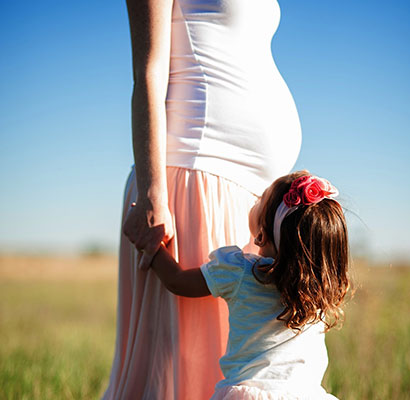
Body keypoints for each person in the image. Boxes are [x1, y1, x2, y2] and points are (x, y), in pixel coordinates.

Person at [102, 0, 301, 398]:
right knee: (183, 370)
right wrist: (153, 190)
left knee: (232, 362)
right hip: (192, 178)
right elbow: (148, 71)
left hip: (252, 198)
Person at [149, 172, 349, 399]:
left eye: (261, 199)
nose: (255, 200)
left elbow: (177, 281)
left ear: (261, 235)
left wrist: (151, 244)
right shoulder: (319, 292)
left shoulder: (241, 271)